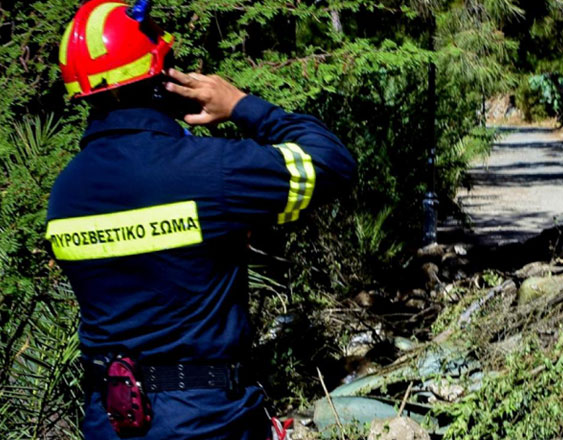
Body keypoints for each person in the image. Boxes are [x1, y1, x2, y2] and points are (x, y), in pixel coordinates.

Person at [47, 1, 356, 438]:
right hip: (209, 421)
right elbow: (332, 163)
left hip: (110, 422)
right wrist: (243, 105)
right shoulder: (210, 172)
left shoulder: (65, 193)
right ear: (161, 80)